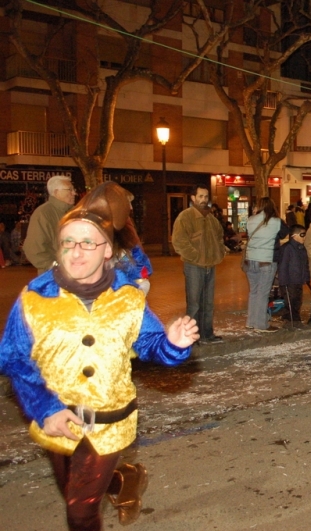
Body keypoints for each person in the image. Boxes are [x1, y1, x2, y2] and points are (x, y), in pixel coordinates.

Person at [0, 181, 198, 530]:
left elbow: (153, 347)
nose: (76, 252)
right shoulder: (35, 296)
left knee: (80, 510)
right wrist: (45, 408)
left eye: (87, 243)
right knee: (72, 491)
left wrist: (174, 344)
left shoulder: (128, 297)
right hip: (56, 420)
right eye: (68, 243)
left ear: (107, 249)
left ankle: (116, 483)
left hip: (109, 420)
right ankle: (124, 482)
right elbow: (14, 359)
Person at [171, 184, 227, 343]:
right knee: (194, 305)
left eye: (206, 196)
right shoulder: (185, 217)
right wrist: (195, 257)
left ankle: (206, 334)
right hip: (194, 266)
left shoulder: (211, 219)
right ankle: (191, 337)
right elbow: (179, 242)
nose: (203, 200)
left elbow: (219, 237)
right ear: (193, 198)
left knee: (208, 303)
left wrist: (219, 252)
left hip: (211, 266)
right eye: (200, 196)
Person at [243, 197, 289, 333]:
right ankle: (261, 324)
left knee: (254, 292)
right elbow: (285, 233)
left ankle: (251, 322)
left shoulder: (251, 220)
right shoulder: (276, 222)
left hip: (250, 260)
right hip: (266, 261)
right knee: (263, 293)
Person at [23, 174, 77, 273]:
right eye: (69, 190)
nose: (74, 193)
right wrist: (55, 267)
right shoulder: (43, 214)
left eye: (73, 190)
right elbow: (34, 249)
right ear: (56, 192)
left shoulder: (75, 212)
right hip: (55, 276)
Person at [278, 225, 311, 327]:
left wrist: (306, 276)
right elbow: (283, 266)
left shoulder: (302, 248)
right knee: (290, 301)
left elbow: (305, 264)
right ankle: (289, 319)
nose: (304, 237)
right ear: (294, 236)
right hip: (289, 280)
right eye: (302, 235)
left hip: (298, 279)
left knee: (297, 300)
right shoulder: (287, 248)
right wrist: (283, 281)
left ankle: (296, 319)